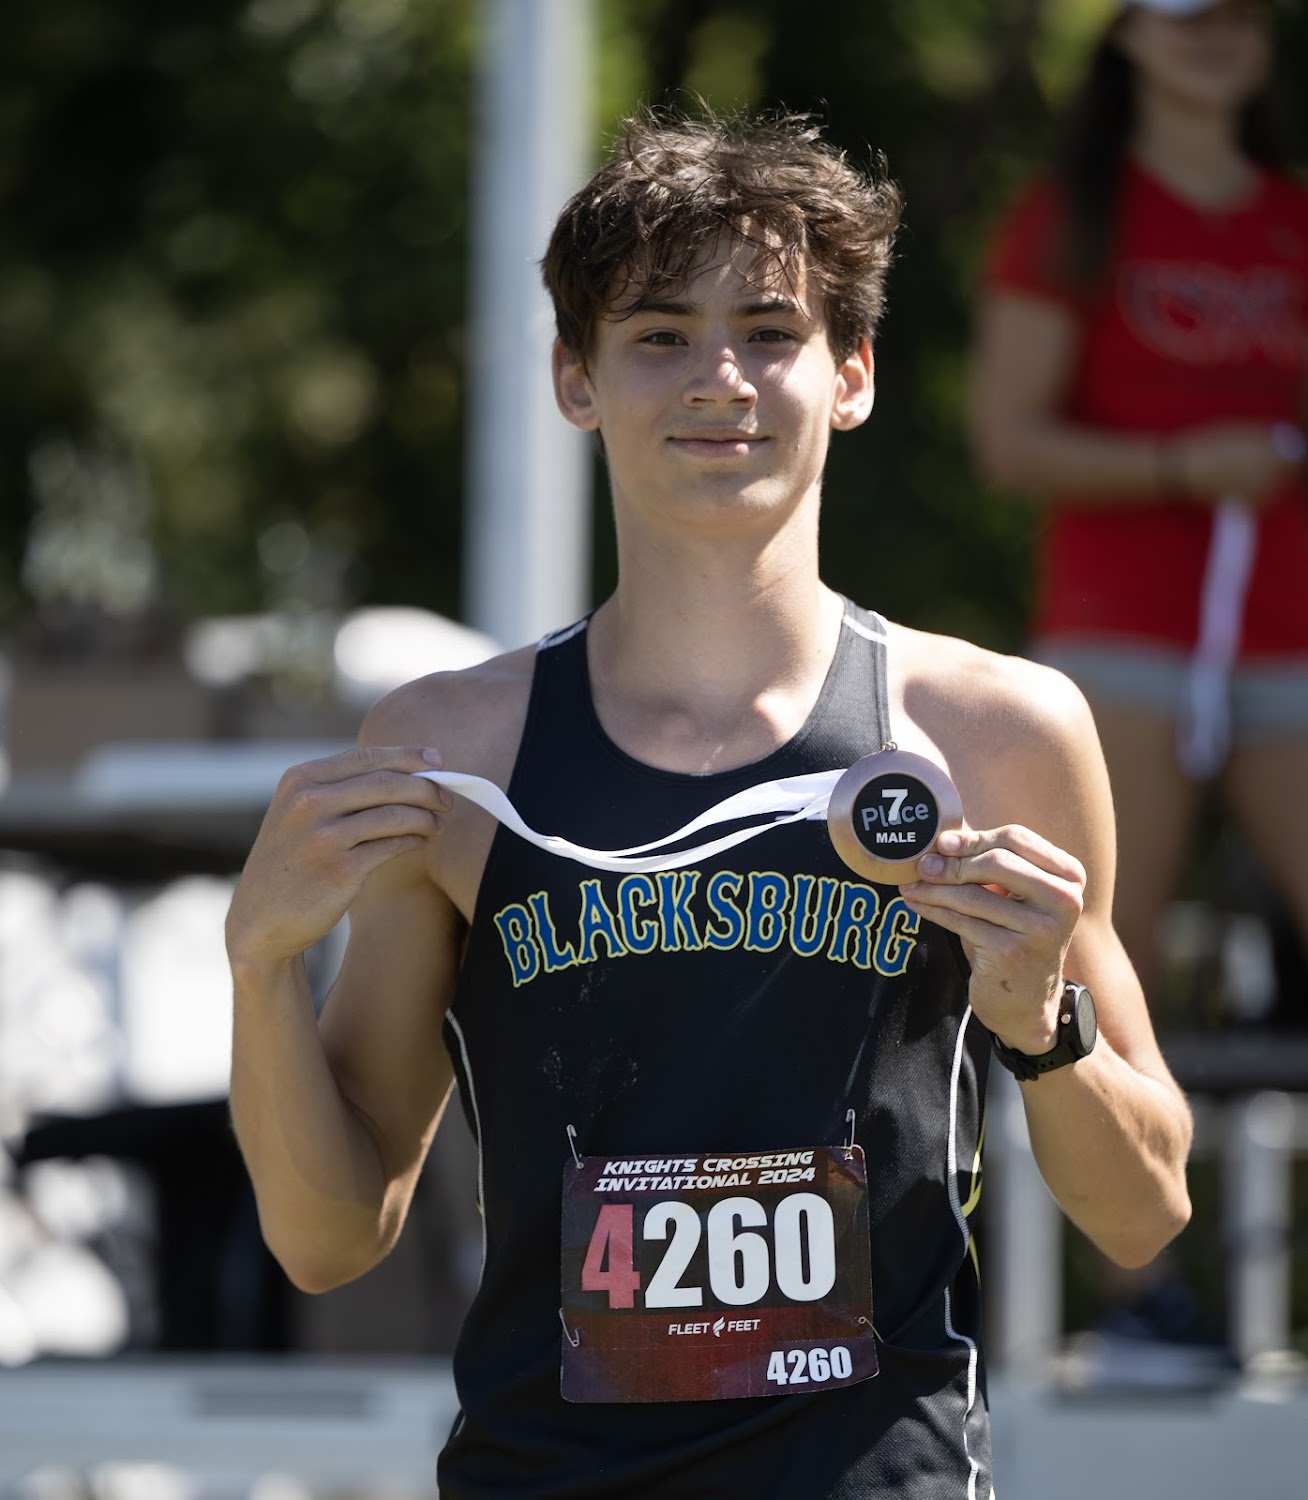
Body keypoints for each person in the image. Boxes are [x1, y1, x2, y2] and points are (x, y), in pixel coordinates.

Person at [227, 109, 1192, 1498]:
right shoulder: (452, 751)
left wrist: (1044, 1027)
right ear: (575, 377)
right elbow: (332, 1238)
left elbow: (1146, 1213)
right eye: (661, 334)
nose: (719, 379)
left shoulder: (997, 733)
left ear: (853, 374)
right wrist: (260, 967)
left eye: (770, 331)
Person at [968, 0, 1308, 1361]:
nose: (1216, 31)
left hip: (1293, 642)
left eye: (1241, 10)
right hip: (1123, 644)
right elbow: (1008, 441)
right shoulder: (1070, 221)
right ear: (1126, 37)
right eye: (1184, 11)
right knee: (1115, 951)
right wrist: (1184, 465)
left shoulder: (1295, 218)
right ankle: (1139, 1300)